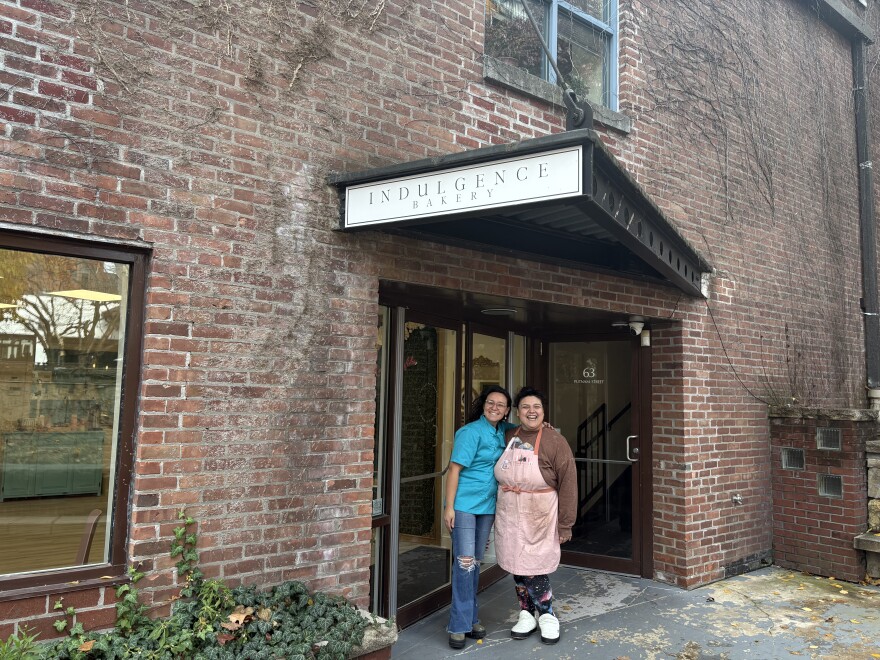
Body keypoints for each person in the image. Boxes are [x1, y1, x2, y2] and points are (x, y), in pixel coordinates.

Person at [493, 386, 576, 645]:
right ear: (517, 412)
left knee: (535, 568)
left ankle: (548, 615)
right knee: (518, 566)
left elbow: (568, 484)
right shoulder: (507, 436)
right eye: (526, 407)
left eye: (537, 407)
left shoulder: (555, 441)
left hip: (540, 514)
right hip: (510, 511)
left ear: (544, 411)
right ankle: (527, 613)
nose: (532, 411)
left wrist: (566, 524)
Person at [444, 385, 512, 649]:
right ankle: (458, 625)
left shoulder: (502, 431)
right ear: (483, 405)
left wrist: (544, 426)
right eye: (490, 403)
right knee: (464, 564)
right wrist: (449, 507)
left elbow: (523, 428)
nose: (495, 407)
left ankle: (470, 618)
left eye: (501, 405)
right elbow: (454, 470)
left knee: (475, 563)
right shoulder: (470, 432)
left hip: (486, 506)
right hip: (464, 505)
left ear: (507, 411)